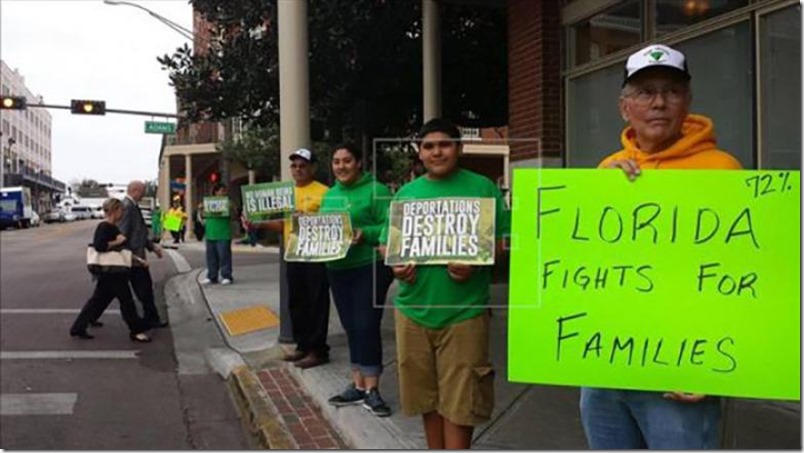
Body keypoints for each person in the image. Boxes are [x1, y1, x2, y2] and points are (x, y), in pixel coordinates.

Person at [582, 43, 742, 450]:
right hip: (606, 365)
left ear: (686, 101)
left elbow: (746, 276)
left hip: (682, 371)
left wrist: (717, 368)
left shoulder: (723, 170)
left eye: (671, 91)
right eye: (645, 92)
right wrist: (600, 195)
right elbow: (582, 265)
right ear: (624, 106)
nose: (658, 103)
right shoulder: (607, 170)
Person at [379, 119, 510, 449]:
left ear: (459, 148)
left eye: (445, 144)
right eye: (429, 146)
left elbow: (504, 241)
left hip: (464, 314)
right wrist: (396, 265)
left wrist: (477, 262)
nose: (437, 151)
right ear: (420, 153)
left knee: (462, 403)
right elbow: (387, 244)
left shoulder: (482, 188)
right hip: (413, 312)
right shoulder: (407, 194)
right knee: (427, 399)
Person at [320, 144, 394, 417]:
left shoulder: (378, 191)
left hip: (369, 266)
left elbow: (391, 226)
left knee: (366, 324)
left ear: (359, 162)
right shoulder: (329, 196)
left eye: (347, 160)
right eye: (336, 161)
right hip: (337, 267)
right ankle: (358, 384)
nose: (341, 166)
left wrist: (366, 234)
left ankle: (372, 388)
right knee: (350, 325)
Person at [249, 148, 331, 369]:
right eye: (294, 166)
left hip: (315, 254)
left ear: (312, 168)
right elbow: (282, 225)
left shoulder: (325, 192)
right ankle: (302, 346)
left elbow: (333, 223)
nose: (298, 169)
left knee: (316, 302)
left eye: (303, 165)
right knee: (296, 301)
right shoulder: (286, 193)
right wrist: (260, 223)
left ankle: (318, 349)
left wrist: (309, 219)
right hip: (293, 253)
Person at [70, 198, 151, 343]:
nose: (122, 213)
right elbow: (100, 246)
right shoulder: (105, 227)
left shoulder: (112, 227)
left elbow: (120, 252)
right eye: (121, 210)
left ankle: (78, 327)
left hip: (110, 271)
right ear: (115, 210)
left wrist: (138, 261)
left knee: (98, 301)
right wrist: (118, 241)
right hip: (113, 272)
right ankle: (136, 330)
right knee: (126, 302)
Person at [119, 180, 169, 328]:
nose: (143, 194)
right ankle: (151, 318)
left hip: (134, 256)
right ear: (135, 191)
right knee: (145, 289)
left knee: (105, 292)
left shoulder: (132, 206)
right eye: (142, 191)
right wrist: (132, 256)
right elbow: (124, 233)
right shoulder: (127, 207)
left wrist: (152, 247)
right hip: (133, 257)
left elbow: (138, 232)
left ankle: (85, 320)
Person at [200, 183, 234, 285]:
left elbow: (233, 215)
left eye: (225, 191)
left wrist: (231, 208)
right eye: (221, 191)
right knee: (211, 257)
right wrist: (201, 209)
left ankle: (226, 275)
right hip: (210, 233)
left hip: (223, 234)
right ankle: (212, 276)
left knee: (224, 256)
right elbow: (202, 217)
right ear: (216, 192)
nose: (224, 193)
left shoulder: (228, 203)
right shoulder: (207, 203)